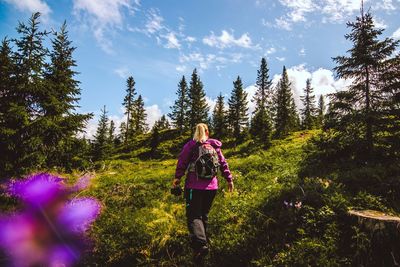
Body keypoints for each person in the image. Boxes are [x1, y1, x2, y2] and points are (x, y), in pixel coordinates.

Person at [172, 123, 234, 263]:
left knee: (193, 216)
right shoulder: (214, 146)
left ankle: (200, 244)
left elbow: (182, 162)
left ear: (196, 132)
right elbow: (223, 163)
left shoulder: (191, 146)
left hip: (194, 186)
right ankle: (200, 249)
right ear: (207, 132)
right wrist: (229, 179)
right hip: (212, 187)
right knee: (203, 215)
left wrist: (177, 178)